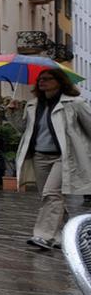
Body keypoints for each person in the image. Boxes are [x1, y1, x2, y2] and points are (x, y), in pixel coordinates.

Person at [15, 68, 91, 250]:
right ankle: (62, 236)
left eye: (48, 79)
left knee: (51, 194)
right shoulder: (33, 105)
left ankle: (43, 236)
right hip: (40, 156)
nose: (42, 82)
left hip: (64, 157)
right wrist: (13, 113)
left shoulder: (75, 103)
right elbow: (23, 130)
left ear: (60, 82)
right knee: (50, 197)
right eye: (40, 79)